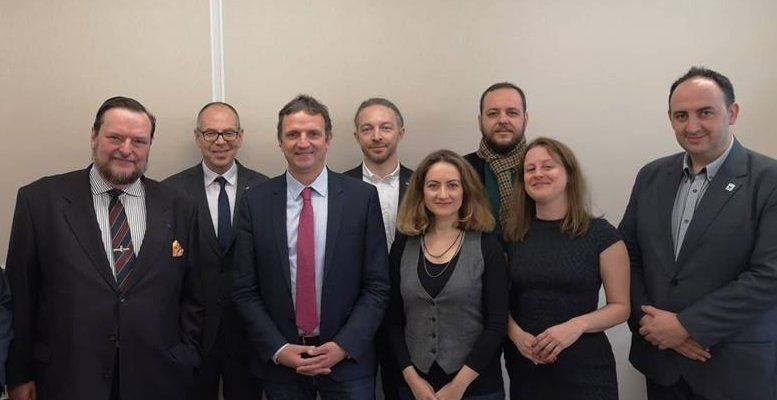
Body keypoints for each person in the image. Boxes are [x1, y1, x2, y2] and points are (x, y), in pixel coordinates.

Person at [5, 96, 203, 400]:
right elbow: (21, 295)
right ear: (94, 136)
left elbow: (194, 295)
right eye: (115, 137)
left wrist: (186, 355)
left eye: (139, 141)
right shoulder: (40, 201)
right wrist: (19, 375)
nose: (126, 149)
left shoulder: (180, 207)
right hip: (67, 378)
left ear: (150, 145)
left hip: (157, 378)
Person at [620, 66, 777, 400]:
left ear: (732, 113)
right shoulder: (651, 176)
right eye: (681, 115)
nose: (691, 126)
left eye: (705, 112)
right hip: (661, 363)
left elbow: (770, 274)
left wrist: (687, 326)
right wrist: (651, 325)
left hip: (733, 366)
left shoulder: (769, 180)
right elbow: (627, 256)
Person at [232, 94, 390, 399]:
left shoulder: (361, 198)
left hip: (347, 363)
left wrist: (343, 346)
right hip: (282, 365)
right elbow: (244, 289)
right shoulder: (255, 202)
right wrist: (278, 349)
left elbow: (377, 285)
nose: (303, 143)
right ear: (280, 142)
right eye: (293, 134)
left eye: (313, 133)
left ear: (328, 139)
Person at [503, 137, 630, 399]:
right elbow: (497, 302)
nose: (538, 173)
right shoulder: (512, 236)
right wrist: (515, 335)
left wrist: (576, 326)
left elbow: (621, 307)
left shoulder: (602, 235)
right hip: (527, 368)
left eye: (548, 166)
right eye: (530, 169)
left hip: (586, 370)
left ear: (569, 174)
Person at [163, 102, 267, 400]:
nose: (220, 141)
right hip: (191, 334)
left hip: (249, 334)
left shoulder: (265, 190)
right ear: (197, 137)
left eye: (228, 133)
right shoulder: (171, 193)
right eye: (211, 133)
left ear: (240, 136)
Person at [387, 149, 508, 400]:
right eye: (433, 185)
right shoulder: (403, 245)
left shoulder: (488, 246)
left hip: (477, 388)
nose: (443, 194)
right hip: (414, 387)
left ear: (466, 190)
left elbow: (496, 324)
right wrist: (411, 379)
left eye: (452, 185)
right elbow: (392, 320)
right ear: (421, 191)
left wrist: (458, 387)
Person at [343, 97, 413, 400]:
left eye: (385, 127)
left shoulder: (423, 185)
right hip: (354, 311)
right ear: (356, 136)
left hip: (409, 310)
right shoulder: (337, 188)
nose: (376, 136)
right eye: (367, 129)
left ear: (401, 132)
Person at [464, 82, 529, 236]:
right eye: (493, 113)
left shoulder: (545, 170)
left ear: (525, 119)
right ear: (480, 122)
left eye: (512, 113)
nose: (503, 120)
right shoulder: (461, 169)